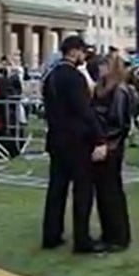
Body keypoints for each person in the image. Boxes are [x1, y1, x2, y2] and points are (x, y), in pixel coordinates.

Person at [41, 35, 107, 253]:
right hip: (77, 142)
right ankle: (82, 239)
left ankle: (51, 235)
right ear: (74, 51)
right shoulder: (74, 77)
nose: (84, 56)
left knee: (56, 190)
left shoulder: (50, 76)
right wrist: (99, 138)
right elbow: (84, 111)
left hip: (56, 139)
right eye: (82, 51)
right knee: (83, 191)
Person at [91, 53, 137, 251]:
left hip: (111, 146)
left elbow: (118, 123)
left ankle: (118, 237)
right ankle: (109, 234)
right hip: (103, 144)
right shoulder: (102, 88)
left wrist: (106, 144)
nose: (100, 68)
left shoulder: (119, 91)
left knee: (111, 192)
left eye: (105, 65)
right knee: (104, 192)